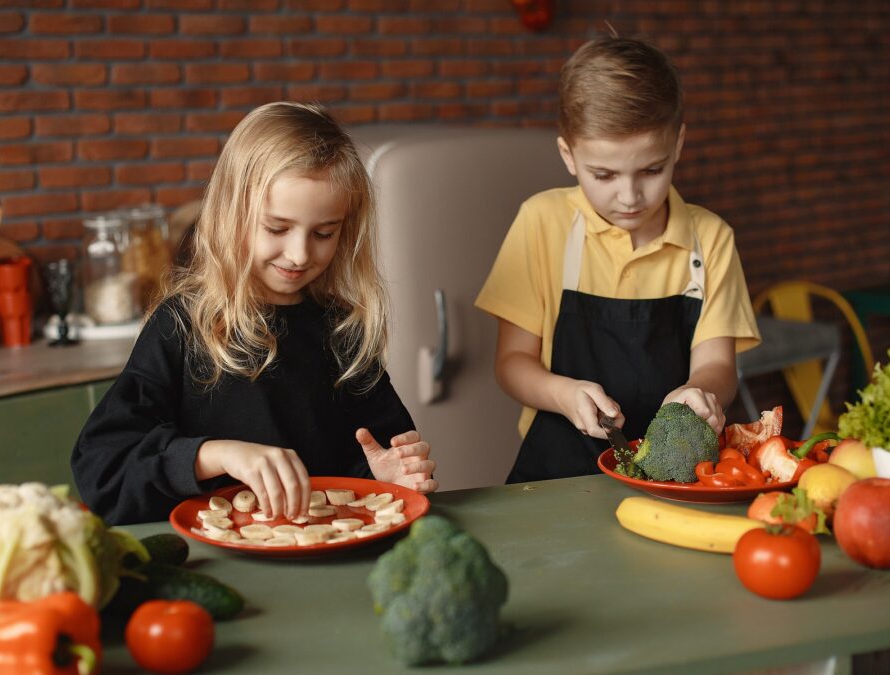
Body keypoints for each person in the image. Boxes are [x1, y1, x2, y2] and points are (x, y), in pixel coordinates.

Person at [72, 102, 437, 524]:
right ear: (232, 212)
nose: (300, 254)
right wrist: (213, 454)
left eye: (324, 233)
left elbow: (374, 469)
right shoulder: (181, 326)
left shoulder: (343, 332)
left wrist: (389, 477)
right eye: (277, 228)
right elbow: (103, 470)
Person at [475, 35, 760, 483]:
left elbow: (721, 366)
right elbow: (511, 363)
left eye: (651, 170)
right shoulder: (542, 222)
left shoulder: (711, 239)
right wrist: (563, 393)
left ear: (678, 145)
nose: (629, 197)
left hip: (676, 477)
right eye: (604, 175)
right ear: (568, 155)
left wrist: (698, 391)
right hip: (556, 472)